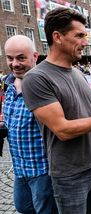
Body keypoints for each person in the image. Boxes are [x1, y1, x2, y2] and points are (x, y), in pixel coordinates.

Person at [22, 8, 91, 214]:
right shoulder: (37, 78)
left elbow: (86, 120)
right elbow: (63, 130)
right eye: (79, 35)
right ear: (57, 37)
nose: (85, 42)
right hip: (70, 175)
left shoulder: (77, 73)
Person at [3, 35, 58, 214]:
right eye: (10, 58)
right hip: (19, 168)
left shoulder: (43, 86)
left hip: (42, 169)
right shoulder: (8, 86)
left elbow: (66, 122)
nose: (14, 63)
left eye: (21, 57)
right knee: (23, 207)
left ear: (34, 57)